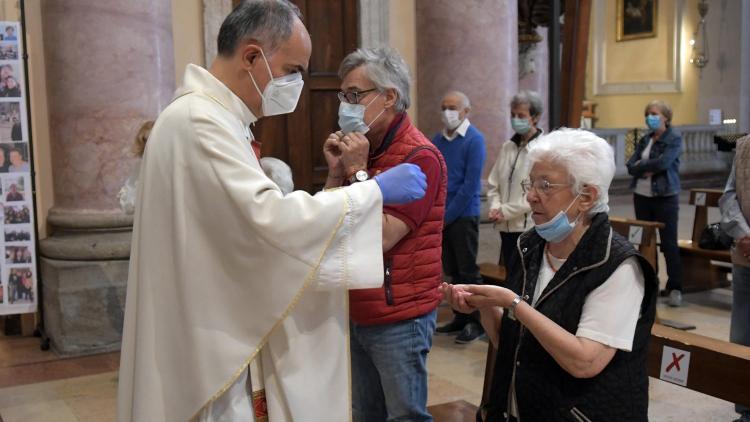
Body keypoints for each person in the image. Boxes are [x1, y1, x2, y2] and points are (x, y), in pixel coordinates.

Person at [116, 2, 427, 422]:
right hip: (206, 344)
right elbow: (268, 222)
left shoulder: (210, 117)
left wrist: (337, 185)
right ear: (251, 56)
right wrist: (372, 190)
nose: (299, 84)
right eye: (293, 70)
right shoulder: (200, 122)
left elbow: (244, 230)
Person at [443, 129, 657, 421]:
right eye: (530, 183)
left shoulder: (618, 265)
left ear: (586, 196)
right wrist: (484, 308)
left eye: (545, 186)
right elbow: (509, 344)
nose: (530, 196)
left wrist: (514, 304)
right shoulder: (529, 245)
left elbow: (585, 362)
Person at [326, 48, 446, 422]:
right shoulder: (367, 150)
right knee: (366, 414)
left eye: (355, 95)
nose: (346, 105)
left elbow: (380, 237)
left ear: (389, 96)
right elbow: (327, 224)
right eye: (343, 96)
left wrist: (359, 173)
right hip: (358, 305)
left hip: (399, 314)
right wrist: (335, 173)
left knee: (404, 416)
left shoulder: (420, 158)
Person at [431, 90, 487, 344]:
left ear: (466, 111)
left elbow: (469, 186)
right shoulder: (438, 140)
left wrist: (446, 216)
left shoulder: (474, 140)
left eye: (453, 107)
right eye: (444, 107)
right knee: (452, 271)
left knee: (467, 271)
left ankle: (475, 322)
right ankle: (459, 317)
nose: (447, 112)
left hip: (463, 215)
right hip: (443, 215)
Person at [626, 100, 683, 306]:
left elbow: (664, 163)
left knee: (668, 243)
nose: (650, 117)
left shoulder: (674, 137)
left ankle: (675, 287)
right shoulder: (644, 139)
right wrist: (643, 167)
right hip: (641, 195)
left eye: (654, 113)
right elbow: (630, 165)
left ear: (666, 117)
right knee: (646, 242)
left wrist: (643, 165)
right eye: (648, 113)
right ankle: (652, 284)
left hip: (665, 196)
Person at [487, 90, 543, 271]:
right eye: (512, 115)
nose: (515, 119)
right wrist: (495, 207)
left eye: (521, 115)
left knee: (526, 276)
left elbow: (538, 192)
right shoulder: (508, 147)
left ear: (535, 117)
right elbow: (493, 183)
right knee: (509, 275)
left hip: (528, 227)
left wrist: (505, 211)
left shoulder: (543, 149)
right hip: (505, 226)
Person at [720, 134, 750, 422]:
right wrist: (742, 233)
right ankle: (746, 408)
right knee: (743, 336)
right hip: (746, 256)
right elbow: (729, 194)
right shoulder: (744, 146)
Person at [117, 121, 153, 214]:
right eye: (145, 141)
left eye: (152, 140)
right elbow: (128, 204)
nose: (149, 145)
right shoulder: (140, 166)